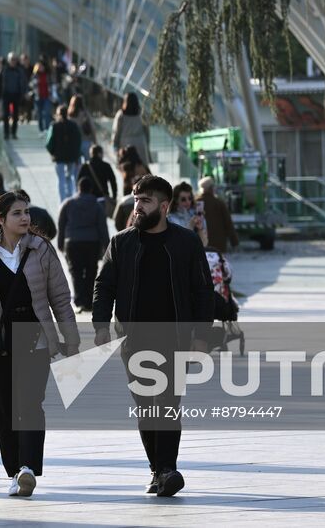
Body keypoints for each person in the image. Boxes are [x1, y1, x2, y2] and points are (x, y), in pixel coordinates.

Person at [93, 175, 215, 497]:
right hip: (133, 341)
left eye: (145, 201)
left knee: (169, 405)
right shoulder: (121, 243)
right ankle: (156, 468)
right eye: (135, 199)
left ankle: (167, 469)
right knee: (146, 408)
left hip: (176, 339)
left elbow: (203, 292)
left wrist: (202, 337)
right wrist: (101, 326)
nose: (137, 206)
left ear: (164, 206)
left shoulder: (186, 243)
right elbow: (103, 286)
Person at [0, 190, 79, 497]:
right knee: (4, 408)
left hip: (35, 336)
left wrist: (71, 335)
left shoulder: (41, 250)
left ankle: (27, 467)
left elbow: (61, 297)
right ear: (0, 219)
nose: (25, 217)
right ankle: (14, 471)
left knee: (30, 404)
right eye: (17, 213)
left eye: (26, 212)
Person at [56, 176, 109, 312]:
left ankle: (79, 300)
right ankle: (89, 301)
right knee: (91, 271)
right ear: (90, 189)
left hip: (72, 242)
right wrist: (107, 245)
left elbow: (61, 223)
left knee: (75, 271)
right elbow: (102, 227)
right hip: (92, 242)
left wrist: (60, 242)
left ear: (78, 188)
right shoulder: (97, 205)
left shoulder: (68, 203)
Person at [44, 106, 83, 202]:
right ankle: (71, 198)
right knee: (70, 177)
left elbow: (49, 143)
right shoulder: (73, 125)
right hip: (71, 156)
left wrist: (52, 152)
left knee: (61, 179)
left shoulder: (54, 125)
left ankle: (62, 200)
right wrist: (77, 155)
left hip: (59, 157)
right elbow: (78, 141)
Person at [197, 177, 239, 255]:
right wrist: (234, 241)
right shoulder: (219, 203)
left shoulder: (195, 203)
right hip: (218, 245)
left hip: (200, 244)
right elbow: (228, 223)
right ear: (211, 188)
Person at [78, 145, 119, 221]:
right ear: (99, 153)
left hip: (88, 199)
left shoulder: (85, 166)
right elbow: (113, 182)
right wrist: (114, 196)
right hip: (102, 199)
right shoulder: (106, 166)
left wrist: (81, 197)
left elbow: (79, 182)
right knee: (101, 222)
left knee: (90, 221)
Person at [0, 52, 28, 139]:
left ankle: (13, 133)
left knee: (15, 115)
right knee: (6, 115)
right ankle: (6, 133)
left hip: (16, 94)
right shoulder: (4, 69)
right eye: (12, 59)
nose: (13, 61)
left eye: (15, 60)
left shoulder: (19, 70)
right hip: (6, 94)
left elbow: (24, 82)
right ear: (8, 60)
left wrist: (24, 92)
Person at [111, 92, 151, 167]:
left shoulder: (121, 115)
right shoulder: (142, 113)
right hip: (140, 144)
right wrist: (147, 144)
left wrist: (115, 146)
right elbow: (147, 131)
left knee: (128, 170)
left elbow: (116, 132)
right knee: (142, 171)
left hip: (125, 145)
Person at [31, 63, 55, 133]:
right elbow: (31, 85)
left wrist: (53, 96)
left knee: (47, 113)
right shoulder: (35, 76)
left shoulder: (48, 75)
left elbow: (53, 84)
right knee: (39, 114)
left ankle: (47, 129)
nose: (41, 68)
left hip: (47, 97)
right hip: (38, 97)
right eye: (39, 67)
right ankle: (41, 130)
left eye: (42, 66)